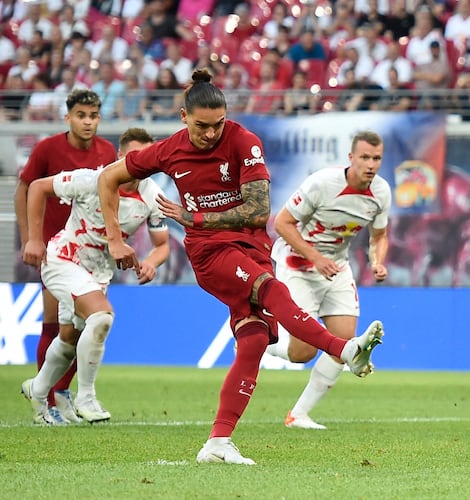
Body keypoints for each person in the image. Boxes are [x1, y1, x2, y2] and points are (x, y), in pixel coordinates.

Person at [96, 69, 384, 465]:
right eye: (201, 126)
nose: (211, 133)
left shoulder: (244, 141)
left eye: (218, 124)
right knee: (272, 289)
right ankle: (344, 350)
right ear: (184, 116)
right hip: (211, 254)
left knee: (254, 341)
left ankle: (218, 442)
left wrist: (193, 217)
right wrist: (115, 237)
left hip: (252, 247)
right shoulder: (167, 150)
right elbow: (109, 178)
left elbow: (258, 210)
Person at [20, 128, 168, 425]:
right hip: (63, 259)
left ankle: (37, 389)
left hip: (98, 272)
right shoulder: (90, 179)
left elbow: (162, 244)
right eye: (133, 156)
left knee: (68, 340)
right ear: (120, 157)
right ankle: (87, 396)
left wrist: (151, 262)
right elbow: (36, 187)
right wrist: (34, 239)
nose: (140, 163)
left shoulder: (153, 196)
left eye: (146, 157)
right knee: (102, 317)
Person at [267, 131, 391, 430]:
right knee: (302, 353)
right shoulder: (322, 184)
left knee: (345, 344)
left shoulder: (381, 193)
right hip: (297, 265)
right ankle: (260, 342)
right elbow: (282, 223)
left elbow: (380, 236)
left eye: (376, 158)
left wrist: (377, 261)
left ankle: (298, 415)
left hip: (335, 267)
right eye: (364, 157)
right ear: (351, 158)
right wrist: (315, 257)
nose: (370, 164)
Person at [14, 89, 118, 424]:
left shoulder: (106, 151)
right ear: (68, 118)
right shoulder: (48, 149)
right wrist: (31, 238)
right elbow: (26, 189)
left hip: (91, 253)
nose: (87, 122)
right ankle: (47, 402)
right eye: (81, 116)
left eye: (93, 116)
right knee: (55, 323)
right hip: (56, 251)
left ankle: (60, 392)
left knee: (79, 327)